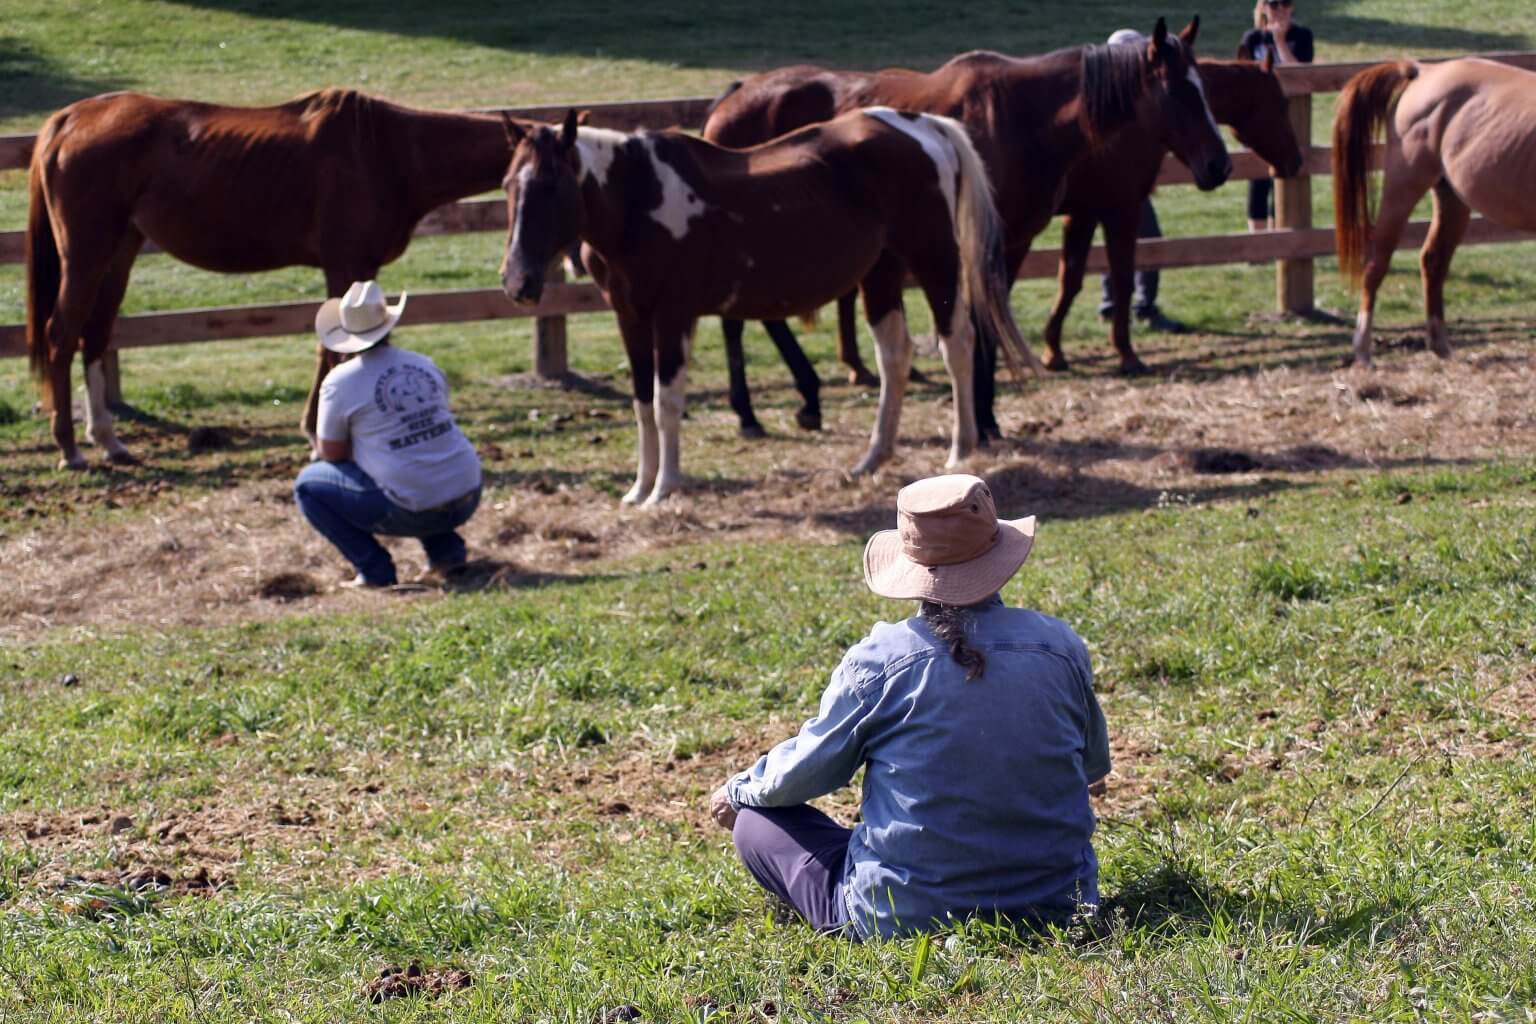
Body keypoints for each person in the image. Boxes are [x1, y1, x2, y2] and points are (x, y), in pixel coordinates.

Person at [710, 475, 1110, 940]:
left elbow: (804, 774)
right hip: (1059, 905)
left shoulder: (879, 660)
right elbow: (1093, 765)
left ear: (910, 562)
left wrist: (737, 791)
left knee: (756, 823)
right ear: (999, 552)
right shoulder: (1059, 644)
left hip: (907, 916)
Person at [293, 280, 482, 588]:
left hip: (413, 507)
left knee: (308, 486)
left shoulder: (340, 382)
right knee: (418, 458)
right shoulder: (423, 363)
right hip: (468, 492)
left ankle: (375, 571)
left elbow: (332, 453)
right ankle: (447, 555)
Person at [1098, 27, 1187, 334]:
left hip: (1114, 185)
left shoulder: (1115, 94)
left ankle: (1115, 304)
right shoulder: (1120, 97)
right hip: (1120, 187)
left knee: (1121, 242)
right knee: (1147, 239)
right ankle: (1141, 306)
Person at [1239, 0, 1314, 231]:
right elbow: (1242, 77)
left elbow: (1301, 76)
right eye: (1273, 4)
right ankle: (1258, 245)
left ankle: (1279, 234)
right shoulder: (1252, 39)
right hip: (1258, 117)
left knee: (1285, 174)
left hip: (1292, 117)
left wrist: (1280, 41)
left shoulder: (1302, 36)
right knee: (1259, 178)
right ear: (1263, 7)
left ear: (1292, 7)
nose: (1280, 9)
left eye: (1286, 3)